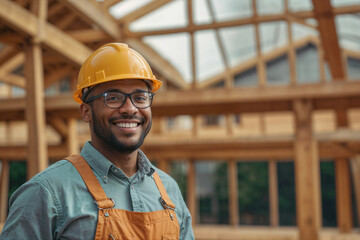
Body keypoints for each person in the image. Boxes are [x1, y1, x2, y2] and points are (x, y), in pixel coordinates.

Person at [0, 43, 194, 239]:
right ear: (86, 111)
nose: (130, 108)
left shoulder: (169, 190)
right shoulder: (47, 193)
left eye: (140, 97)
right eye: (113, 98)